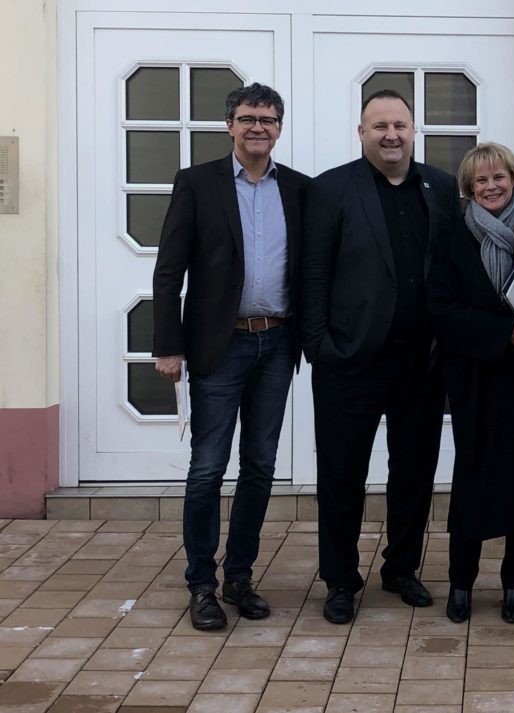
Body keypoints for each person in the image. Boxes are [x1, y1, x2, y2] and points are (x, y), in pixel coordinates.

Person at [300, 89, 461, 625]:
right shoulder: (330, 190)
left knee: (413, 474)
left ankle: (400, 569)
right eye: (379, 126)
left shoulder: (441, 187)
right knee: (342, 476)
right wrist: (320, 345)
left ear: (414, 130)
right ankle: (341, 580)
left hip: (423, 361)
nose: (391, 135)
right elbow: (314, 272)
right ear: (361, 132)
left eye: (400, 125)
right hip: (350, 360)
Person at [152, 83, 310, 631]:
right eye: (247, 118)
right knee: (207, 468)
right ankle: (202, 583)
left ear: (280, 128)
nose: (258, 127)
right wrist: (168, 345)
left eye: (268, 119)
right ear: (229, 125)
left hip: (278, 343)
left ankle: (240, 576)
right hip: (221, 344)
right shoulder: (197, 184)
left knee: (261, 467)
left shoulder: (298, 189)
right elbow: (169, 270)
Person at [427, 143, 514, 624]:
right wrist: (504, 333)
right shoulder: (452, 238)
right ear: (468, 189)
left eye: (499, 176)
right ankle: (461, 582)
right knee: (473, 482)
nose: (491, 186)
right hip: (477, 377)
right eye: (480, 181)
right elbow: (441, 309)